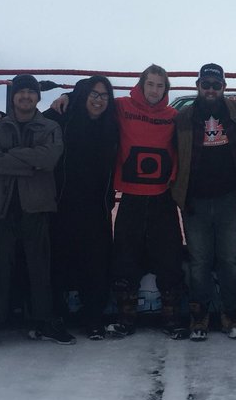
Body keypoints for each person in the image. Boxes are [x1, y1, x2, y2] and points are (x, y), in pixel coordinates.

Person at [55, 65, 186, 338]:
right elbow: (93, 99)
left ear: (166, 89)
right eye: (150, 84)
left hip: (162, 197)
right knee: (126, 258)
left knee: (170, 257)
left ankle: (172, 318)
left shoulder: (174, 116)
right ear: (141, 84)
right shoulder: (121, 106)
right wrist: (66, 97)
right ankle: (126, 318)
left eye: (160, 85)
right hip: (132, 196)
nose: (154, 90)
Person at [0, 74, 68, 348]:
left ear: (38, 97)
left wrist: (11, 155)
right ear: (13, 96)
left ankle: (45, 322)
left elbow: (49, 158)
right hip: (2, 205)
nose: (25, 96)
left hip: (37, 205)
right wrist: (31, 162)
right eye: (20, 92)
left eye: (31, 92)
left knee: (40, 267)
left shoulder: (50, 126)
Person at [171, 63, 236, 341]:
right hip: (194, 200)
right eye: (205, 84)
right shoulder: (183, 118)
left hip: (230, 198)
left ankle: (231, 315)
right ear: (197, 86)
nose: (210, 90)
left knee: (230, 260)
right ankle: (200, 316)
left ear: (224, 88)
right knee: (199, 261)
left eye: (215, 85)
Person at [43, 76, 119, 341]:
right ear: (83, 95)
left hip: (96, 204)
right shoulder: (63, 116)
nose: (98, 101)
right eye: (93, 95)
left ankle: (93, 318)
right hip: (63, 202)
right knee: (58, 262)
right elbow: (33, 121)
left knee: (96, 263)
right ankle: (55, 316)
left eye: (104, 96)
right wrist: (65, 98)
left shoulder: (112, 124)